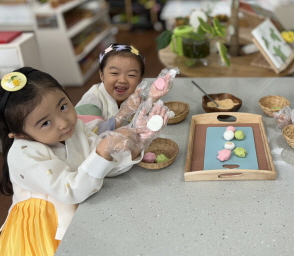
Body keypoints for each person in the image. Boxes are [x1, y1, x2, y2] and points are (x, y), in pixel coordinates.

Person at [0, 67, 169, 255]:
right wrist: (104, 149)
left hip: (82, 209)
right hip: (45, 225)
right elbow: (71, 190)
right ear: (19, 134)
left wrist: (138, 142)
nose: (63, 122)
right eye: (46, 123)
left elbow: (104, 166)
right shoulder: (23, 155)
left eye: (63, 107)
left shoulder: (75, 128)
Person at [75, 43, 178, 134]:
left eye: (131, 75)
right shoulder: (91, 102)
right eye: (114, 73)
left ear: (140, 79)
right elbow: (90, 135)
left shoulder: (136, 94)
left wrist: (152, 98)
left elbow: (141, 114)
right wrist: (123, 113)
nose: (122, 80)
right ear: (102, 75)